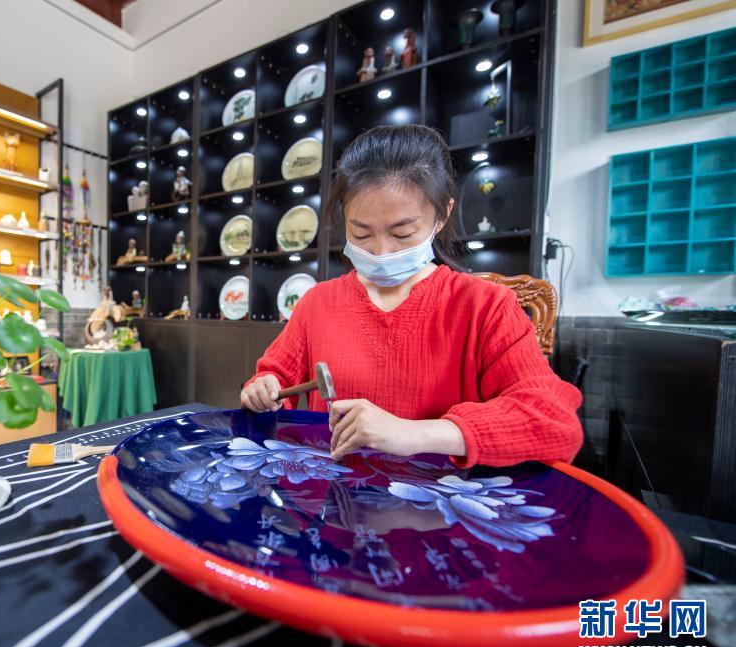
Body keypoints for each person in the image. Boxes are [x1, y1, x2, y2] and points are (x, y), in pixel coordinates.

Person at [240, 124, 582, 468]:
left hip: (439, 495)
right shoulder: (318, 303)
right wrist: (264, 391)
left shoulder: (486, 306)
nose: (380, 251)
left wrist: (415, 433)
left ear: (442, 215)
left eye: (402, 234)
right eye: (361, 233)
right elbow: (275, 380)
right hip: (332, 492)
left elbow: (553, 424)